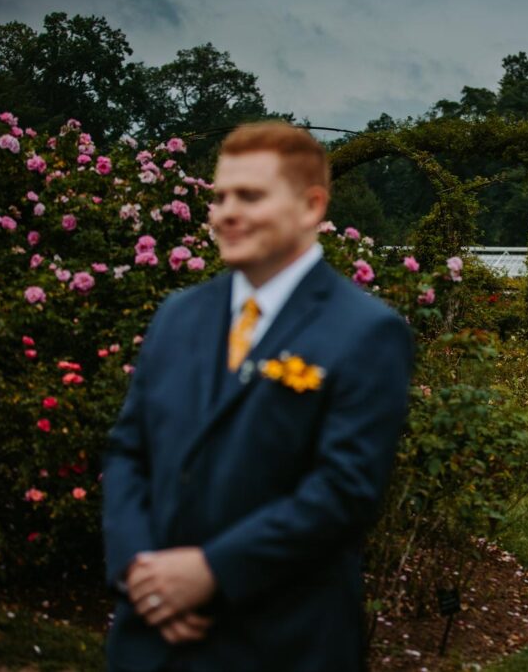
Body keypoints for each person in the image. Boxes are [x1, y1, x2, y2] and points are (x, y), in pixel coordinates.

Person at [102, 121, 413, 671]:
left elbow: (344, 491)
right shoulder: (178, 315)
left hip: (279, 640)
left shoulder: (367, 332)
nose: (225, 212)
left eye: (250, 196)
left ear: (311, 206)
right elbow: (130, 451)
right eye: (219, 196)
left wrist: (210, 572)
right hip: (149, 640)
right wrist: (138, 572)